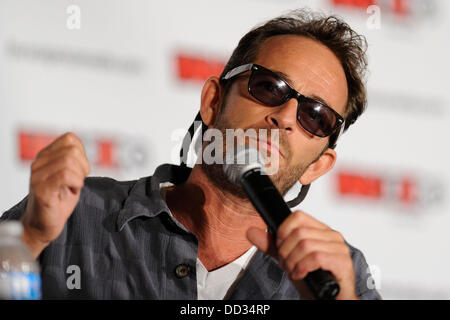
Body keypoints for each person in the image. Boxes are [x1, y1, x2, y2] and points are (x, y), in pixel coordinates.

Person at [1, 9, 381, 300]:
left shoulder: (340, 274)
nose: (283, 117)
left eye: (316, 117)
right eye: (269, 87)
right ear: (214, 102)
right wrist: (32, 237)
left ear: (318, 166)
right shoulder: (75, 214)